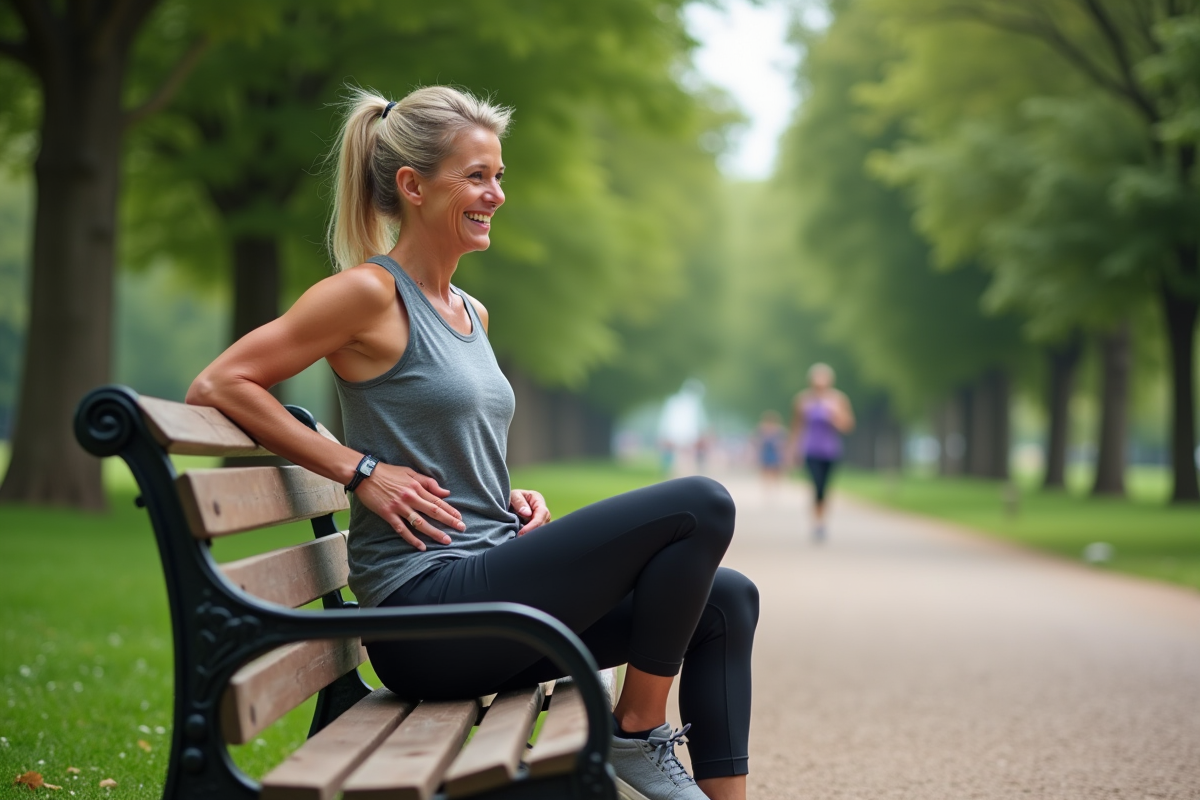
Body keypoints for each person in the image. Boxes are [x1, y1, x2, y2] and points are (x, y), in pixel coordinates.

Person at [186, 86, 758, 800]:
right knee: (701, 503)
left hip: (486, 590)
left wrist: (504, 497)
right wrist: (358, 470)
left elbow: (446, 441)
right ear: (412, 186)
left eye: (500, 176)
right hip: (427, 618)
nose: (496, 194)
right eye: (477, 176)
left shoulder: (471, 312)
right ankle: (636, 731)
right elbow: (218, 384)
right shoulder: (368, 295)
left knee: (726, 602)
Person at [788, 364, 855, 542]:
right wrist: (793, 449)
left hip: (830, 450)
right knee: (816, 485)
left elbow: (847, 425)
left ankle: (822, 521)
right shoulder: (803, 400)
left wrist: (834, 415)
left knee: (825, 487)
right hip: (810, 449)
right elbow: (797, 427)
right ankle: (817, 523)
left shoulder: (838, 399)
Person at [754, 410, 786, 493]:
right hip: (765, 451)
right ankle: (767, 487)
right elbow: (757, 440)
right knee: (765, 469)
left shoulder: (779, 429)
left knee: (775, 470)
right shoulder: (762, 428)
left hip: (775, 452)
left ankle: (775, 486)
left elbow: (783, 442)